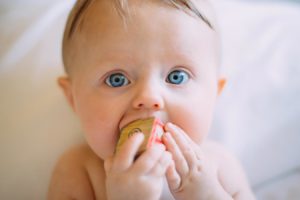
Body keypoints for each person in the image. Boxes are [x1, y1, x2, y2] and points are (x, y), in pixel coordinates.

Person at [48, 0, 255, 199]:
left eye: (177, 77)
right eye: (117, 79)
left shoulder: (219, 166)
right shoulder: (79, 171)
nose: (149, 97)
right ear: (73, 98)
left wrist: (209, 196)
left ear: (214, 94)